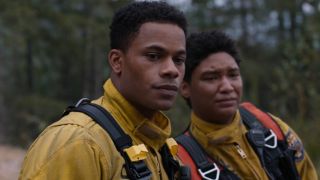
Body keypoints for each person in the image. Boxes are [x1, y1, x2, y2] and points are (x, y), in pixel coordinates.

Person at [19, 1, 188, 180]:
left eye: (179, 59)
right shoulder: (79, 142)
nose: (172, 70)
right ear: (117, 61)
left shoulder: (163, 149)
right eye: (153, 56)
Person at [176, 30, 317, 179]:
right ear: (185, 88)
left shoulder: (272, 129)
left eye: (233, 75)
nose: (227, 87)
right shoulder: (179, 162)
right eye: (211, 78)